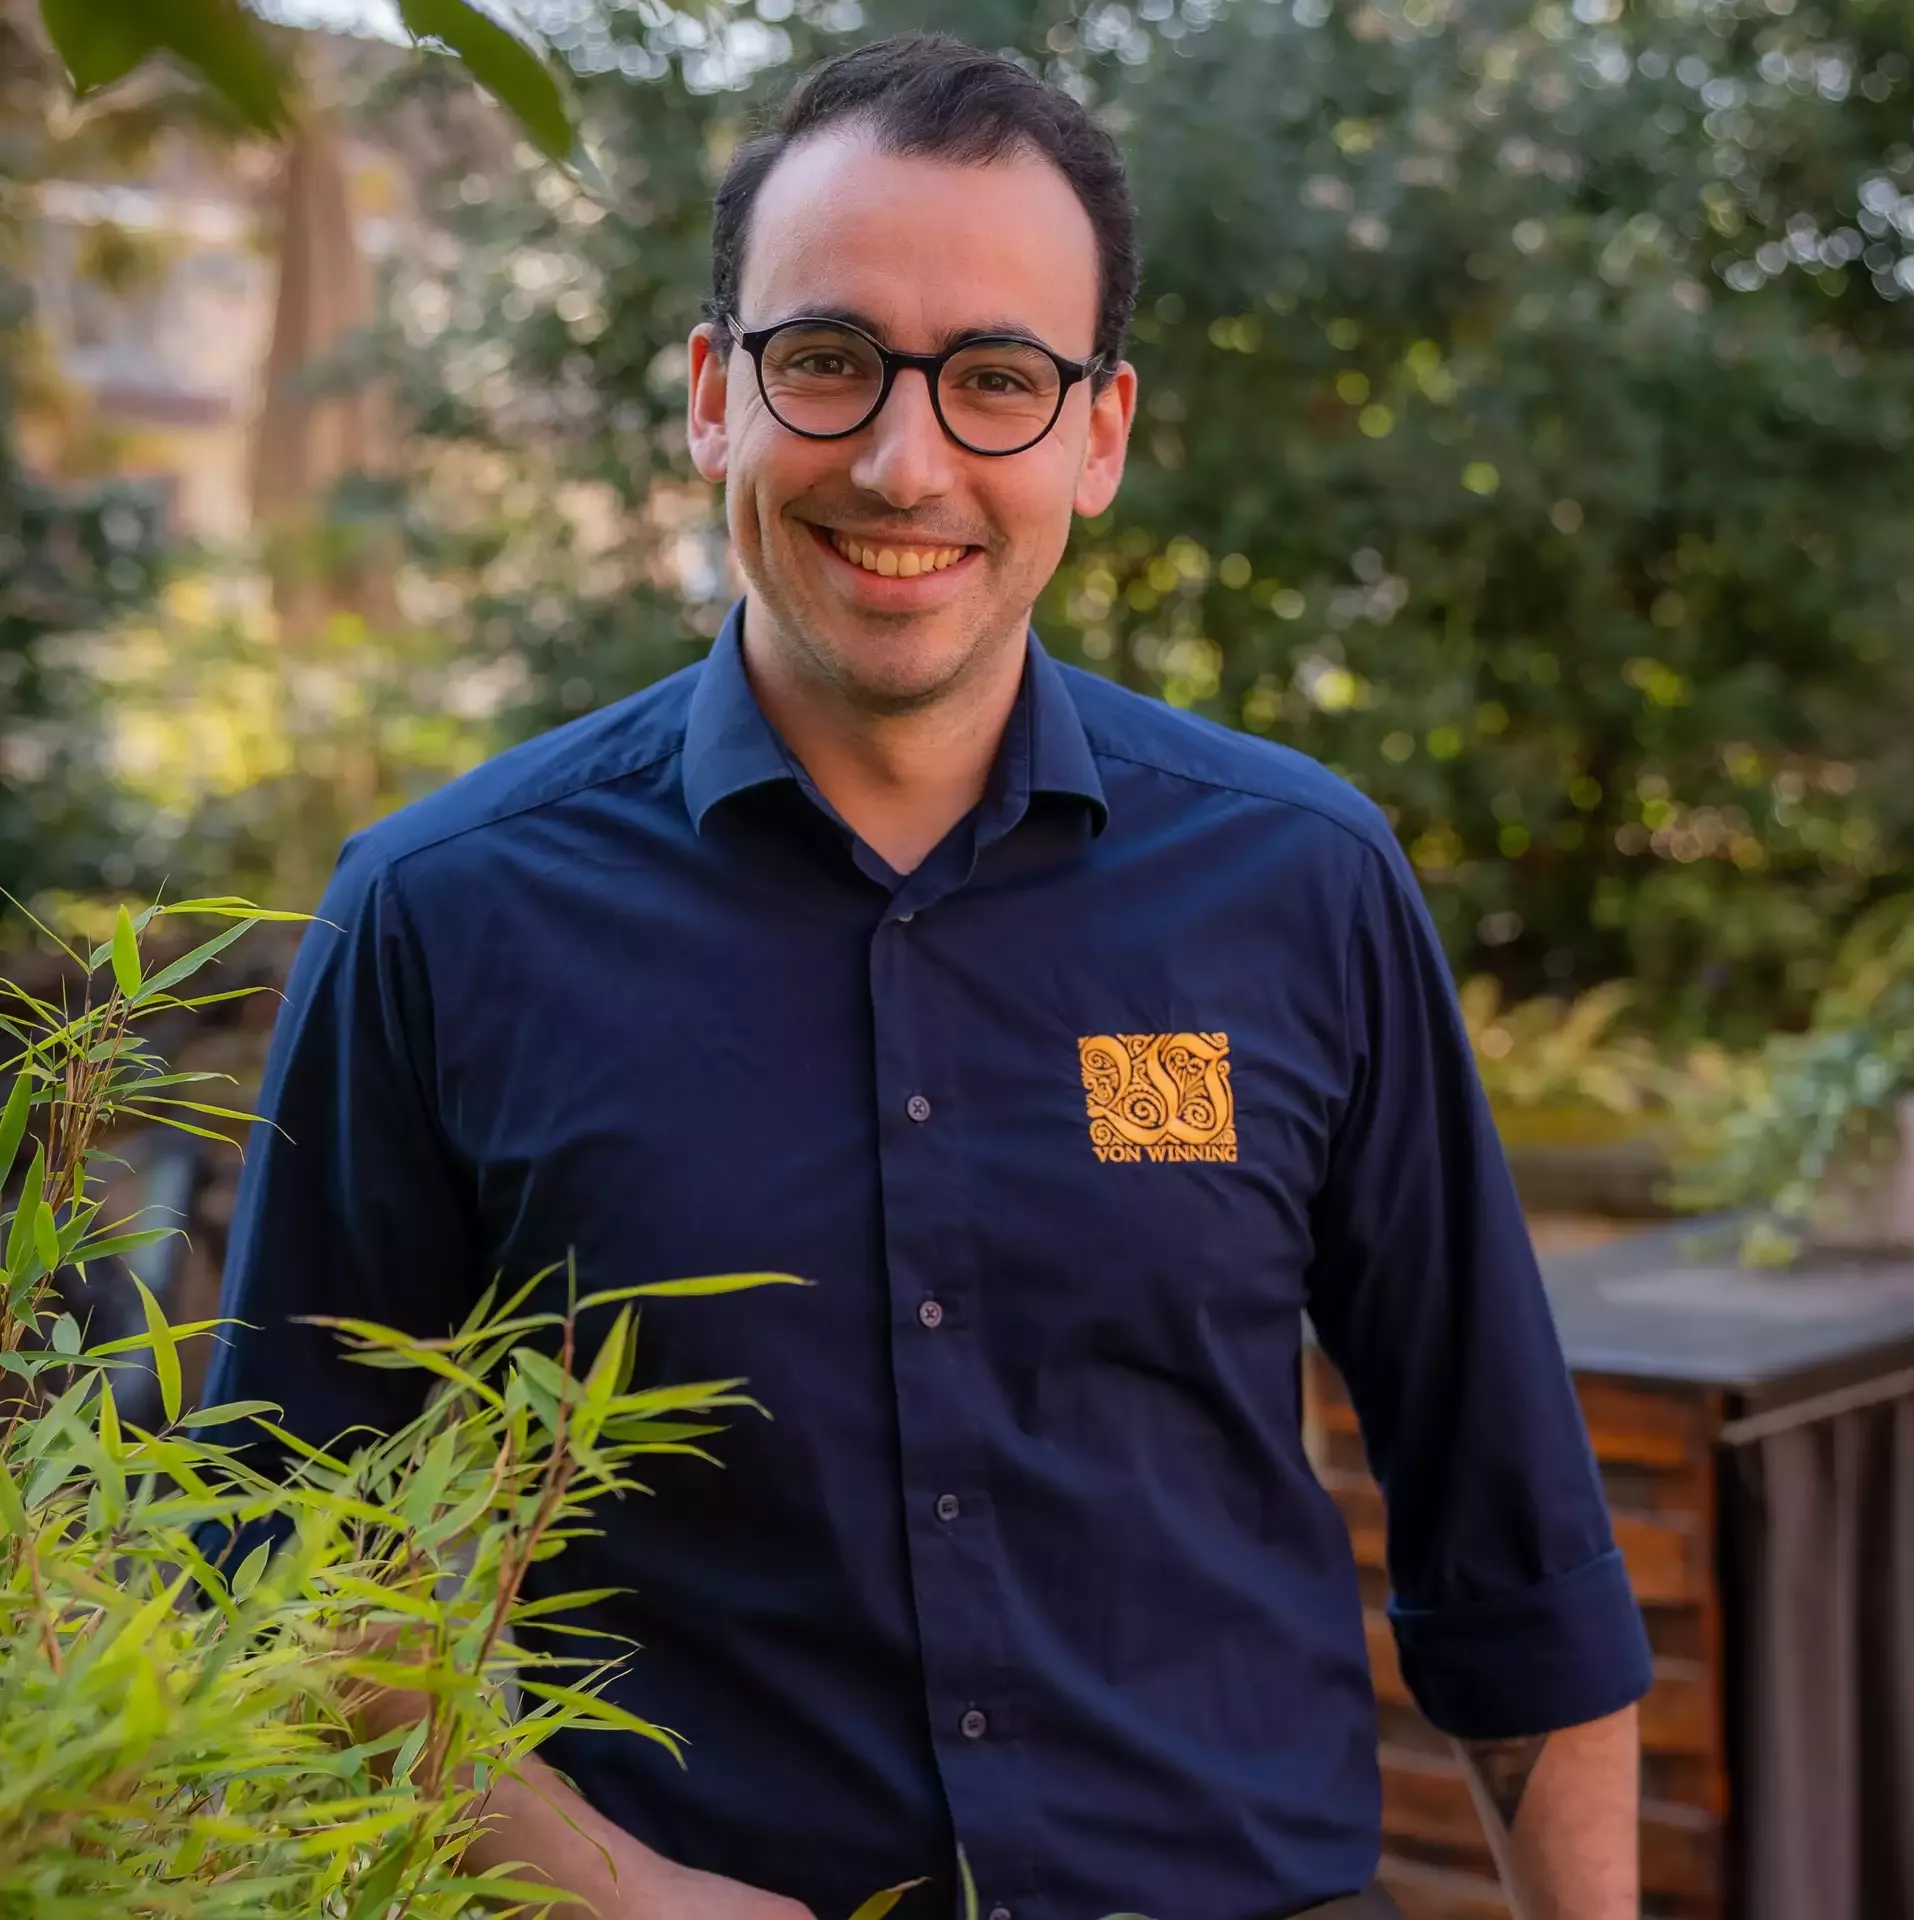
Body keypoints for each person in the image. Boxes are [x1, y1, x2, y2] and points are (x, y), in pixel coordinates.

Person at [204, 33, 1651, 1920]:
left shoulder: (1300, 882)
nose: (906, 462)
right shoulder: (436, 915)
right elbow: (290, 1555)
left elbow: (1513, 1550)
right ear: (717, 394)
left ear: (1099, 437)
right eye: (829, 361)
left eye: (996, 381)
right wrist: (623, 1893)